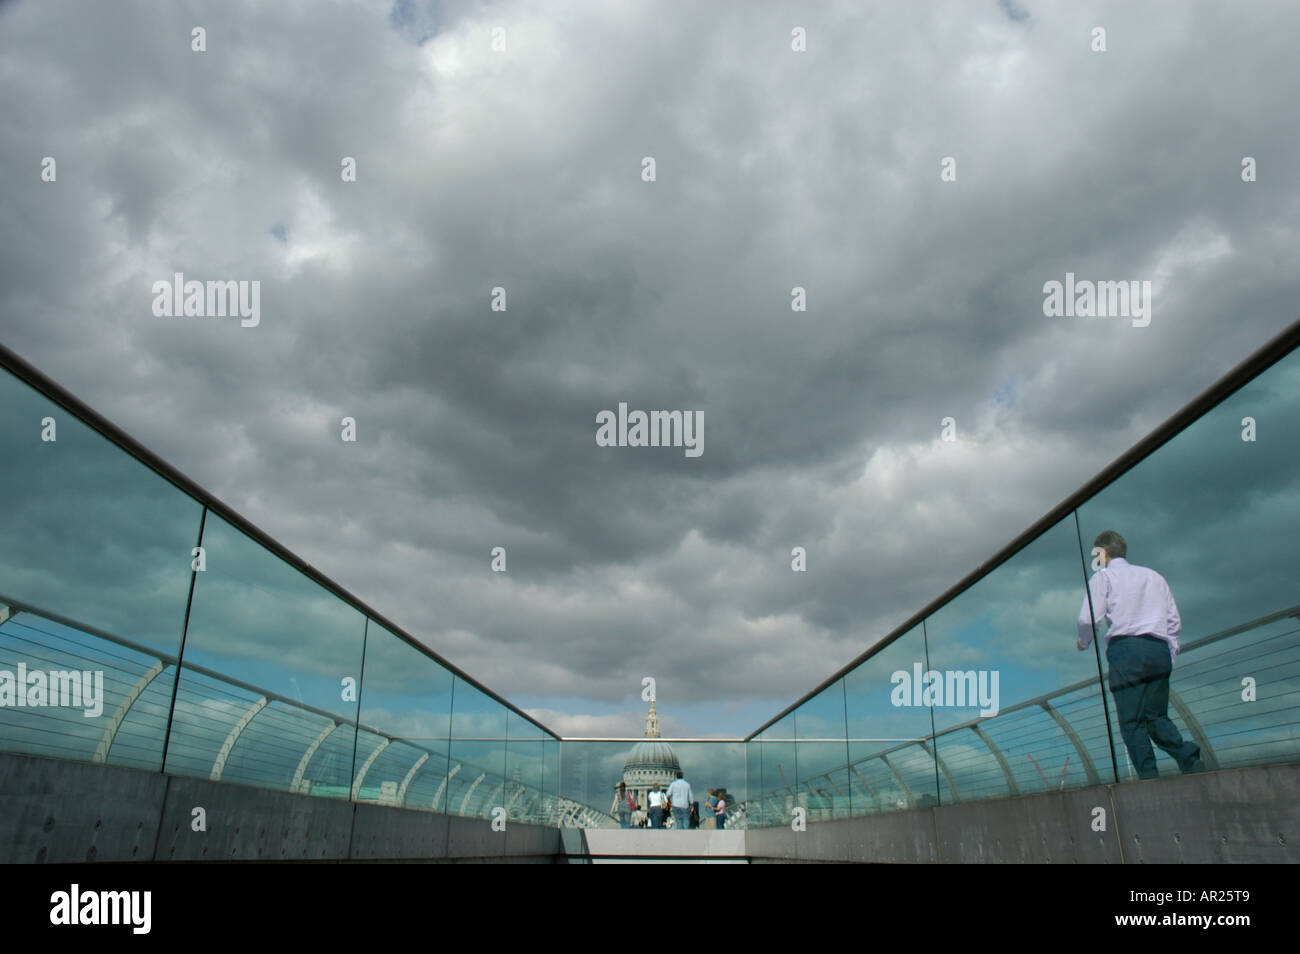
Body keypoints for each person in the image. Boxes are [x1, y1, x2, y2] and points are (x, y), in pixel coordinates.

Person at [1077, 530, 1204, 780]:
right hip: (1158, 650)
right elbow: (1173, 621)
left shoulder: (1103, 577)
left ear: (1103, 553)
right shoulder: (1154, 577)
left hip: (1127, 651)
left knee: (1131, 720)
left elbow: (1087, 617)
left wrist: (1084, 642)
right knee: (1156, 715)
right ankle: (1188, 758)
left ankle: (1149, 777)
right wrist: (1169, 652)